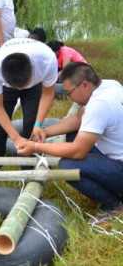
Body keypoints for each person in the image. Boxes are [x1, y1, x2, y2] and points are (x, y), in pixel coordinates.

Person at [18, 62, 123, 216]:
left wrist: (35, 147)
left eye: (70, 93)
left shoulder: (99, 105)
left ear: (85, 85)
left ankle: (114, 206)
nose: (70, 98)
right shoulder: (109, 85)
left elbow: (77, 152)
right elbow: (78, 120)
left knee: (68, 166)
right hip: (116, 154)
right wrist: (45, 132)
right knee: (73, 135)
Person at [0, 37, 58, 159]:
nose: (20, 90)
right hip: (7, 88)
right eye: (17, 87)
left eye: (23, 86)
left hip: (34, 87)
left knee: (31, 125)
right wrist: (16, 138)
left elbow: (48, 94)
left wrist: (38, 124)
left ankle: (28, 171)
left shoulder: (47, 60)